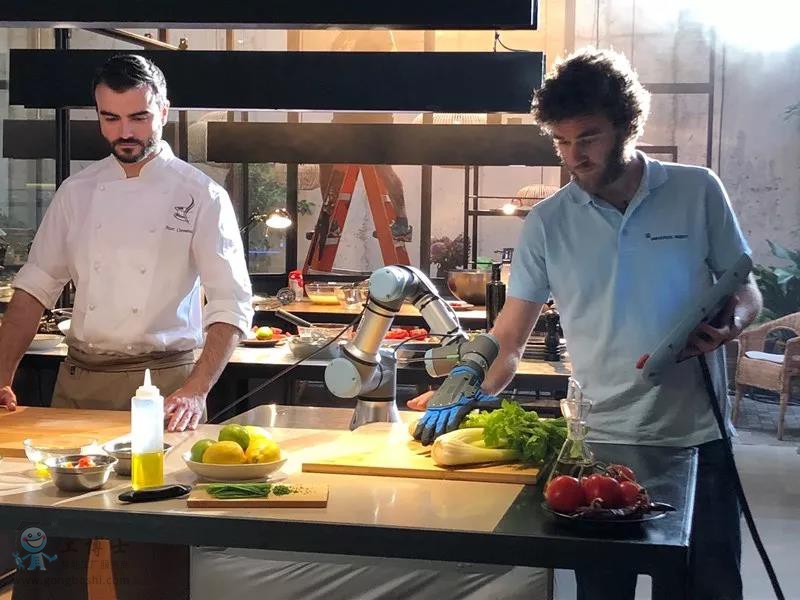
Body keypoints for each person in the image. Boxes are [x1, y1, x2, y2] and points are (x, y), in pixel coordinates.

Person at [410, 48, 762, 600]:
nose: (574, 156)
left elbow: (745, 288)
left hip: (697, 438)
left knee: (708, 589)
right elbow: (509, 339)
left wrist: (730, 323)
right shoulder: (548, 222)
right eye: (560, 141)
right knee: (602, 593)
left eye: (589, 137)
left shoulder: (697, 191)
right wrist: (467, 386)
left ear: (626, 126)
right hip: (599, 444)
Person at [0, 53, 253, 599]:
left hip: (162, 389)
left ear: (164, 110)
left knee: (150, 539)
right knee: (50, 531)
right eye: (110, 118)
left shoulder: (200, 194)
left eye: (138, 117)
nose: (124, 132)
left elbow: (231, 304)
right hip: (78, 384)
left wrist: (196, 389)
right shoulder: (78, 191)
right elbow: (34, 287)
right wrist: (1, 373)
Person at [318, 29, 412, 242]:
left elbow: (333, 63)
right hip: (354, 121)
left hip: (365, 121)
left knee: (381, 168)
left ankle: (330, 220)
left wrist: (342, 38)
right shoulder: (372, 61)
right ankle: (401, 221)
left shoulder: (380, 63)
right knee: (381, 168)